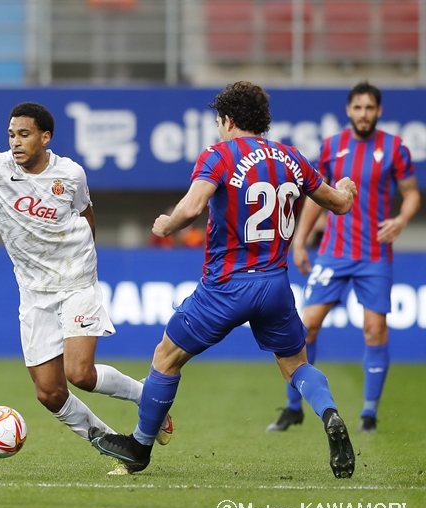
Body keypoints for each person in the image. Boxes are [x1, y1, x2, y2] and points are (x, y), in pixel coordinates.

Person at [90, 81, 359, 479]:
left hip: (227, 285)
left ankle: (139, 449)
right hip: (275, 285)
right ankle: (330, 413)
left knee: (166, 357)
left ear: (228, 120)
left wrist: (167, 224)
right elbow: (338, 204)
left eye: (218, 121)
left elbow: (193, 206)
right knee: (295, 365)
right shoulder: (290, 157)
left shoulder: (219, 155)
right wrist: (348, 190)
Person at [0, 102, 172, 461]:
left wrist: (82, 262)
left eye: (24, 134)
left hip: (75, 281)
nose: (15, 142)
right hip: (34, 292)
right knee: (49, 393)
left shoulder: (70, 174)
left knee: (79, 374)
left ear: (45, 137)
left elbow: (86, 214)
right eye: (11, 135)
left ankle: (147, 398)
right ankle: (113, 442)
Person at [267, 82, 421, 434]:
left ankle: (368, 412)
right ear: (348, 110)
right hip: (334, 252)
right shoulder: (332, 147)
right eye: (358, 107)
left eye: (370, 108)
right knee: (305, 327)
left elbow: (411, 194)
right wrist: (301, 243)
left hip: (375, 255)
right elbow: (313, 196)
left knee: (375, 329)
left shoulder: (394, 148)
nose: (363, 113)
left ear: (379, 112)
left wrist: (400, 219)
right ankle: (294, 408)